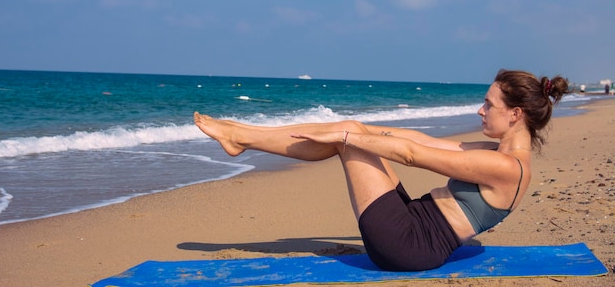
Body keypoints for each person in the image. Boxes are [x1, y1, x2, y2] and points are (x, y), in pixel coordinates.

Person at [193, 69, 569, 271]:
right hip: (412, 225)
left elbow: (409, 154)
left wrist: (344, 134)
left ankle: (241, 137)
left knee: (348, 139)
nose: (480, 110)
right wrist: (364, 130)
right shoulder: (495, 152)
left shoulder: (504, 166)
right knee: (355, 133)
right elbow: (417, 138)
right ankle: (241, 136)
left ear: (515, 114)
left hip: (406, 246)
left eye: (488, 104)